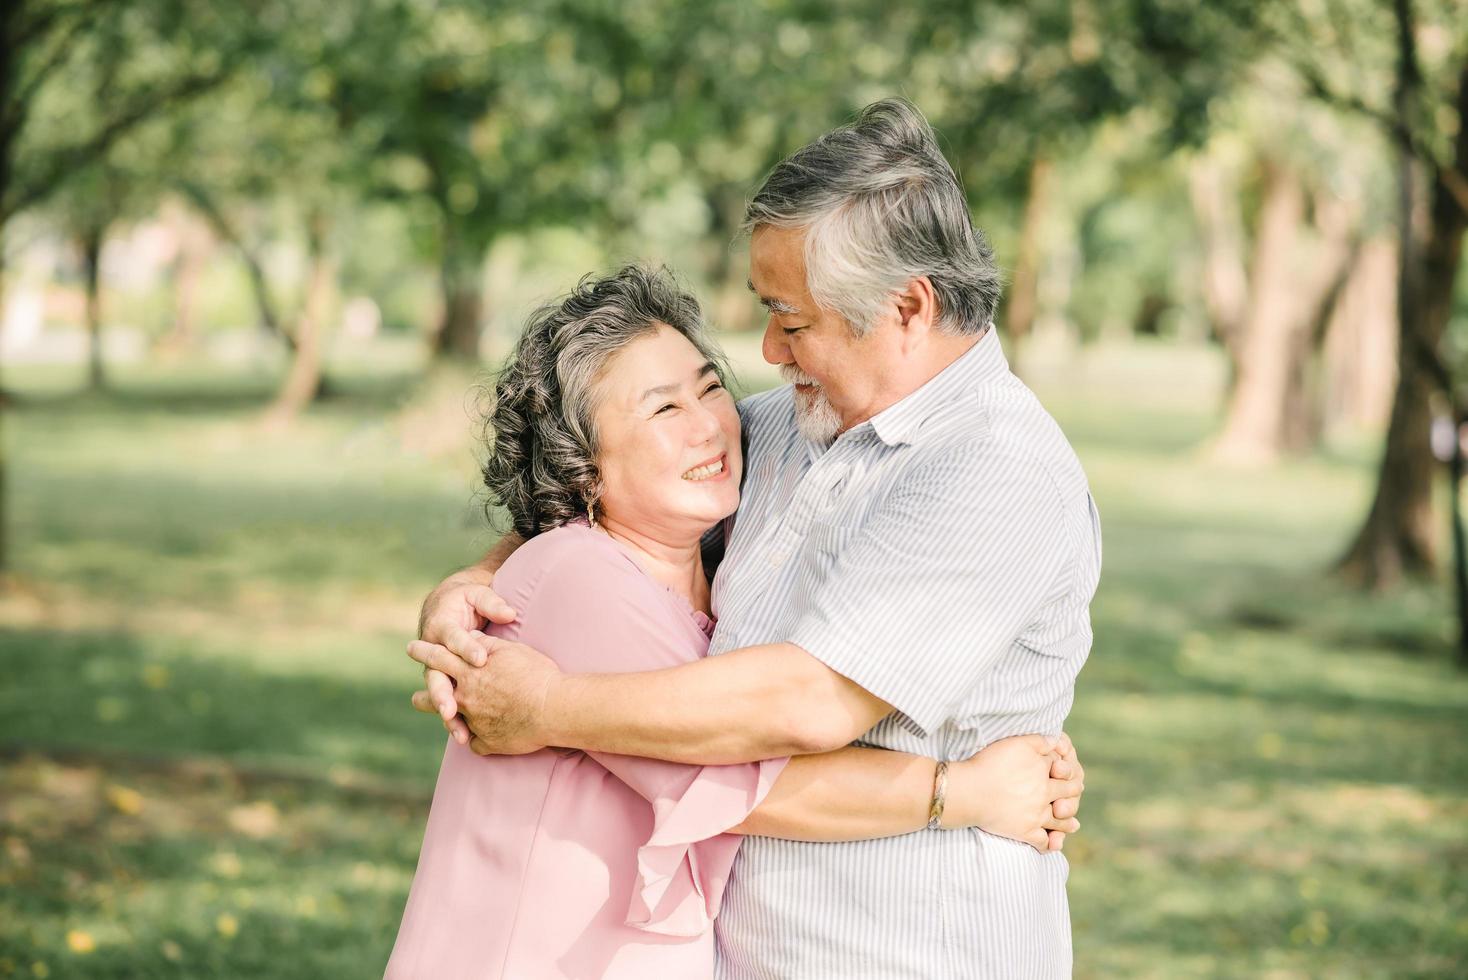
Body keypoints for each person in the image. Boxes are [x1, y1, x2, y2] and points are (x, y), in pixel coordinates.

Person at [411, 99, 1100, 978]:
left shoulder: (995, 470)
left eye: (795, 319)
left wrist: (547, 710)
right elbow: (606, 492)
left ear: (909, 307)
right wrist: (476, 583)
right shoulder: (784, 426)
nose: (769, 348)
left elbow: (808, 703)